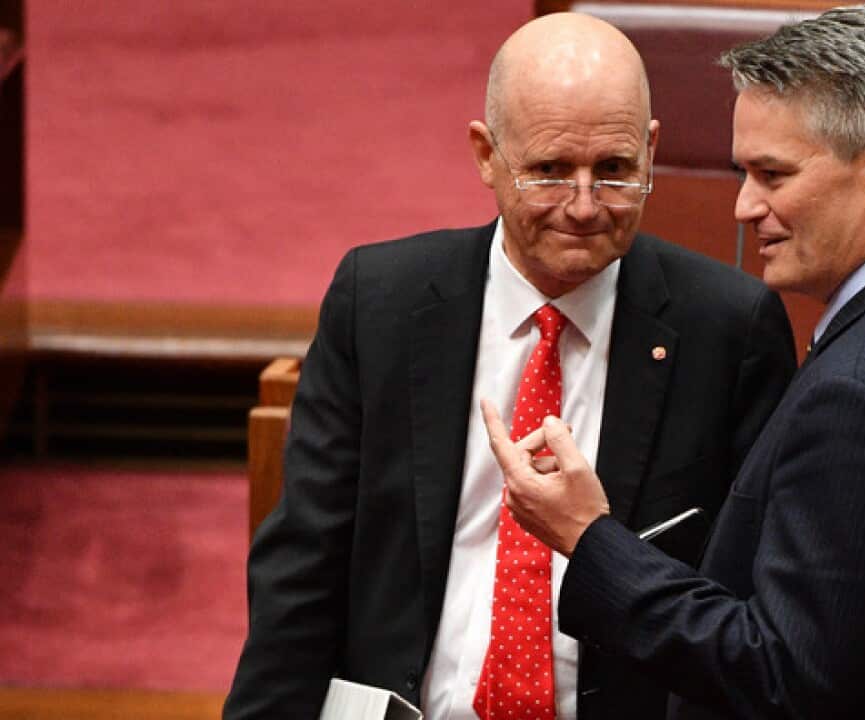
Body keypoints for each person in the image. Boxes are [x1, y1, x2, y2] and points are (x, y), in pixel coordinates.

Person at [486, 5, 865, 718]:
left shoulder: (864, 395)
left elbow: (778, 675)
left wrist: (589, 537)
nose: (744, 206)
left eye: (772, 174)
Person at [223, 12, 796, 720]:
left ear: (651, 152)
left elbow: (749, 611)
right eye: (550, 172)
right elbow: (300, 577)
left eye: (614, 171)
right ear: (487, 155)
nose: (584, 207)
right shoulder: (381, 303)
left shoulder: (728, 331)